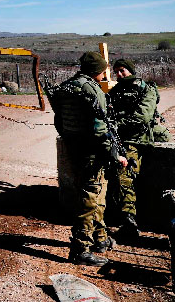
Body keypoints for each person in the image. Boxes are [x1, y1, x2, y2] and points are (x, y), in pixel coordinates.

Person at [48, 51, 128, 266]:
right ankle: (80, 249)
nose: (105, 74)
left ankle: (100, 239)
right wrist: (115, 154)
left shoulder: (66, 87)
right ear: (98, 70)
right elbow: (101, 129)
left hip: (74, 148)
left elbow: (59, 122)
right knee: (90, 199)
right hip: (92, 152)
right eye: (103, 70)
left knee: (97, 194)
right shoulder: (92, 89)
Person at [108, 58, 170, 241]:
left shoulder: (146, 88)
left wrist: (118, 124)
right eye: (116, 71)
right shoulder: (115, 91)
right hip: (121, 138)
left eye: (122, 71)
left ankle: (129, 221)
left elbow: (142, 117)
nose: (119, 74)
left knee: (125, 174)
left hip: (137, 139)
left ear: (130, 70)